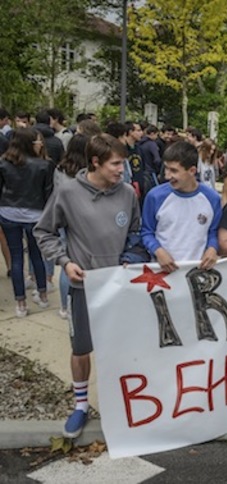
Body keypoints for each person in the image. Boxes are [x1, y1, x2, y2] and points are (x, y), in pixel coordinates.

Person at [35, 133, 140, 439]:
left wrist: (130, 257)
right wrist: (65, 261)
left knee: (120, 347)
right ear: (95, 162)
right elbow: (44, 232)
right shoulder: (68, 193)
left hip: (119, 286)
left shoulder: (128, 194)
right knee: (81, 349)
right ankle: (80, 406)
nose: (122, 169)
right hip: (83, 286)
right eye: (116, 164)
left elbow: (135, 232)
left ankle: (119, 404)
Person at [141, 141, 221, 274]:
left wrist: (212, 248)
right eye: (166, 168)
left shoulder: (212, 198)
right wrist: (158, 251)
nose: (167, 176)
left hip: (197, 272)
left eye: (174, 171)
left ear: (192, 171)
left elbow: (213, 231)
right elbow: (146, 231)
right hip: (162, 272)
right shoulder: (155, 196)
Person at [0, 128, 55, 317]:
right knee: (36, 255)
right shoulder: (44, 165)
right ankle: (43, 295)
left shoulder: (4, 163)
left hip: (8, 212)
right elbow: (48, 193)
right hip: (35, 214)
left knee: (16, 258)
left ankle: (21, 303)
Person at [54, 133, 89, 319]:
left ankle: (64, 307)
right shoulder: (89, 169)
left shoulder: (60, 168)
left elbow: (55, 191)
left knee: (66, 262)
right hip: (84, 218)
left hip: (63, 216)